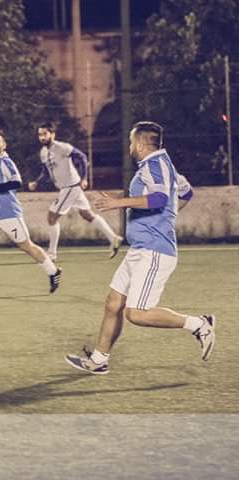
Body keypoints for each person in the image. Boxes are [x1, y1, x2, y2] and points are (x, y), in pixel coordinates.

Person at [64, 121, 215, 375]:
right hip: (140, 249)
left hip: (154, 251)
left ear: (142, 143)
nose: (130, 147)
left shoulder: (156, 165)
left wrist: (119, 203)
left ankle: (199, 324)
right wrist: (168, 218)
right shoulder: (161, 166)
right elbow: (186, 193)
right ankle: (99, 360)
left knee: (137, 314)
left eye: (131, 142)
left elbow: (160, 198)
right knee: (113, 303)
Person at [0, 130, 62, 294]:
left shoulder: (5, 162)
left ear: (4, 145)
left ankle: (53, 271)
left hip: (9, 214)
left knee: (26, 246)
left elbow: (16, 183)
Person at [28, 122, 122, 261]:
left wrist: (84, 178)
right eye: (40, 134)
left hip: (70, 187)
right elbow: (46, 171)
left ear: (52, 134)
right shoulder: (43, 152)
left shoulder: (62, 147)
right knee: (87, 214)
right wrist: (37, 182)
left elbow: (82, 157)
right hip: (68, 188)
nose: (42, 137)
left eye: (45, 134)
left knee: (51, 217)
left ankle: (51, 254)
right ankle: (114, 238)